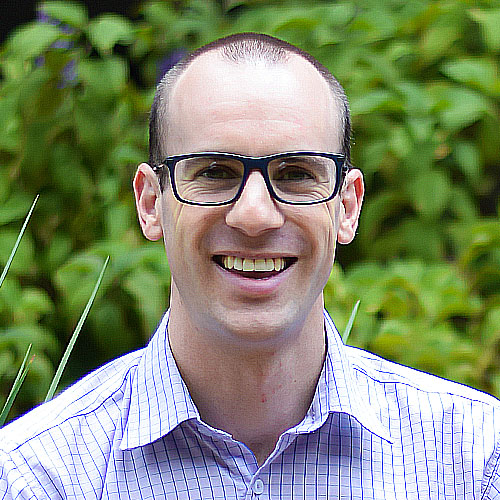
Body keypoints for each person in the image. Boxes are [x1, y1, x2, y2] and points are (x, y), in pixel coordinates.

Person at [1, 32, 499, 500]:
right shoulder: (36, 479)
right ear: (151, 203)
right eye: (215, 172)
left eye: (296, 173)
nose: (256, 215)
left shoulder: (472, 464)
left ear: (347, 207)